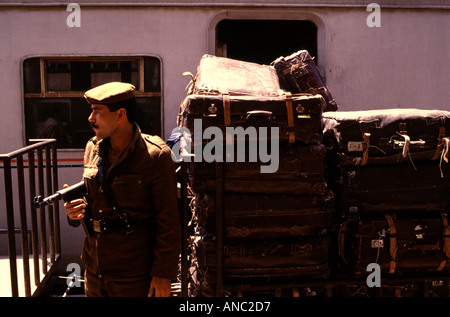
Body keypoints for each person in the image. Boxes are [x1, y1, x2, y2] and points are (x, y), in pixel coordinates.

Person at [63, 82, 181, 297]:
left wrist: (163, 275)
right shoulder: (92, 147)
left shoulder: (155, 155)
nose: (90, 119)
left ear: (120, 114)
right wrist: (74, 212)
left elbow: (169, 220)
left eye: (97, 112)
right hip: (95, 269)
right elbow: (94, 202)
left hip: (134, 273)